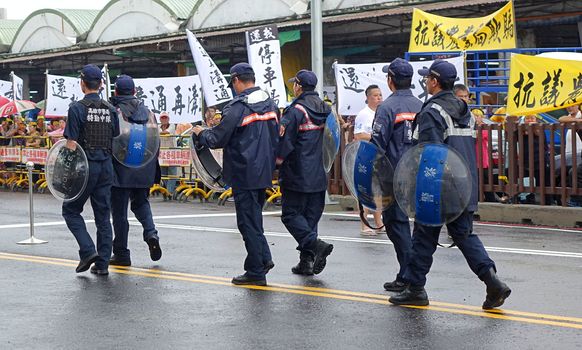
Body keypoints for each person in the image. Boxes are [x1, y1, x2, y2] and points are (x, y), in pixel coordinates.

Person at [389, 60, 511, 309]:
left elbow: (429, 153)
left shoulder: (433, 111)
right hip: (464, 184)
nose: (425, 82)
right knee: (465, 236)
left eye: (427, 78)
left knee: (423, 238)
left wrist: (418, 187)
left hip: (437, 186)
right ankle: (493, 282)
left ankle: (415, 289)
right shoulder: (464, 110)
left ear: (434, 81)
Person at [192, 63, 279, 286]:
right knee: (254, 219)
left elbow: (218, 139)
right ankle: (263, 259)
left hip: (243, 172)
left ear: (237, 80)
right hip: (264, 171)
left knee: (247, 223)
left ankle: (256, 272)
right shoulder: (271, 104)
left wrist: (202, 133)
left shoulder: (237, 107)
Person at [61, 64, 119, 276]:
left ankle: (87, 250)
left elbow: (71, 144)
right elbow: (115, 135)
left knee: (70, 210)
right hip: (106, 167)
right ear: (102, 84)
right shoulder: (111, 109)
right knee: (103, 215)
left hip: (85, 168)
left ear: (82, 83)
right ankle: (102, 264)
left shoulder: (77, 108)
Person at [371, 58, 423, 292]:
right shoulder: (422, 105)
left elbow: (377, 145)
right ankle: (406, 273)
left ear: (390, 80)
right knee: (414, 226)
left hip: (393, 174)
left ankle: (409, 275)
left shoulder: (387, 107)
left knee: (396, 224)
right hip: (418, 172)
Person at [277, 69, 335, 276]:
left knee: (291, 215)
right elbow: (332, 142)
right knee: (310, 218)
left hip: (297, 173)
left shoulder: (296, 111)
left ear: (298, 86)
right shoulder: (327, 110)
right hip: (320, 172)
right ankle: (306, 263)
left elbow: (286, 144)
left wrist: (276, 164)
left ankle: (315, 246)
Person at [109, 75, 162, 267]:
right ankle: (151, 233)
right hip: (144, 166)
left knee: (119, 212)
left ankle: (122, 253)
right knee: (141, 204)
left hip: (120, 168)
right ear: (133, 91)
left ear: (116, 91)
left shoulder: (113, 111)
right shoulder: (148, 112)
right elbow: (156, 140)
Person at [454, 84, 496, 202]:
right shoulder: (451, 114)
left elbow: (482, 136)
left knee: (484, 181)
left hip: (479, 158)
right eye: (460, 96)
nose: (463, 99)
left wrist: (478, 127)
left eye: (465, 96)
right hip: (460, 156)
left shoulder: (472, 117)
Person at [354, 84, 384, 235]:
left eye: (380, 95)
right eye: (375, 95)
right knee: (365, 191)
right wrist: (376, 136)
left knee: (378, 191)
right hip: (366, 157)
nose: (379, 98)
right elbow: (358, 135)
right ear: (368, 98)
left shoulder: (382, 113)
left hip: (379, 156)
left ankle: (379, 223)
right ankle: (364, 224)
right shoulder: (364, 114)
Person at [158, 111, 178, 197]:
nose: (164, 119)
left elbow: (167, 132)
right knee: (163, 173)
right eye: (162, 118)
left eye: (165, 118)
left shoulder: (172, 126)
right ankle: (168, 190)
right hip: (161, 153)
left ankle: (169, 191)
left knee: (172, 172)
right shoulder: (158, 127)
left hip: (172, 152)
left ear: (168, 119)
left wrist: (159, 133)